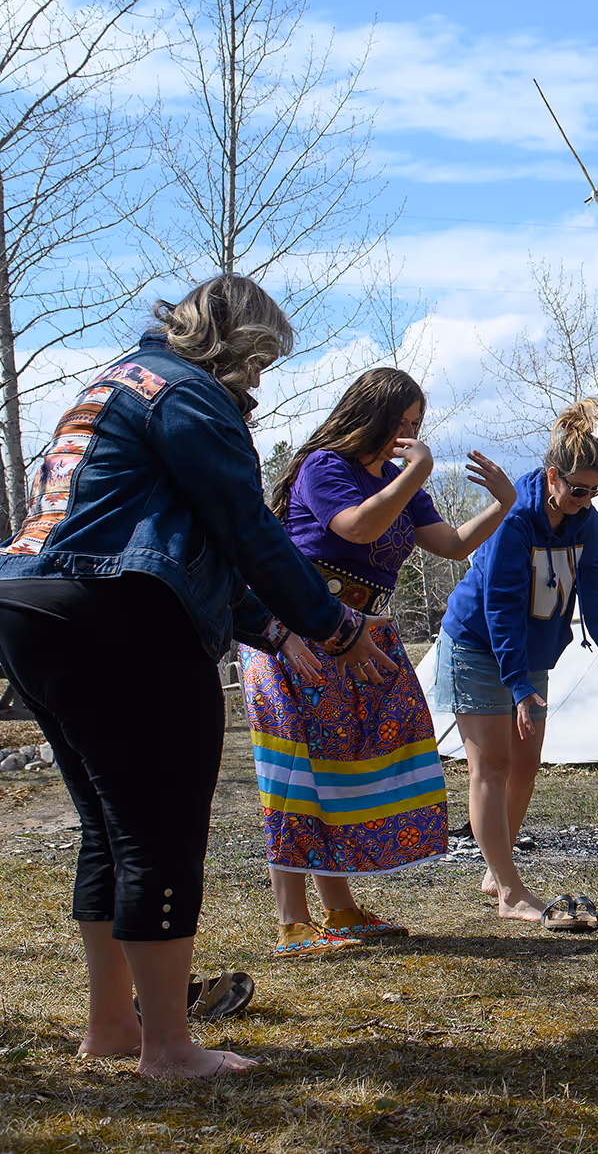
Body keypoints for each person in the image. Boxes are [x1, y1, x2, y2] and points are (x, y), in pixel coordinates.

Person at [0, 276, 398, 1077]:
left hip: (28, 601)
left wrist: (274, 627)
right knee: (160, 829)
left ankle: (112, 1024)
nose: (257, 380)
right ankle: (170, 1048)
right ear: (238, 345)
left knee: (110, 825)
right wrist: (335, 623)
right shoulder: (190, 395)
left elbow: (168, 540)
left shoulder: (111, 383)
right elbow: (244, 527)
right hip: (117, 614)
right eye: (259, 362)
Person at [245, 369, 520, 958]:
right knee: (295, 771)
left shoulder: (398, 480)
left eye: (416, 427)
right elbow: (358, 526)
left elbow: (448, 544)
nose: (409, 436)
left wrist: (504, 505)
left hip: (360, 631)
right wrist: (417, 472)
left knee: (342, 765)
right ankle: (292, 921)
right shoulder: (324, 466)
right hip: (297, 630)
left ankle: (339, 907)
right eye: (402, 424)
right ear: (369, 416)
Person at [434, 399, 598, 924]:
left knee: (526, 764)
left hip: (528, 655)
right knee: (493, 764)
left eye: (595, 490)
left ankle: (496, 869)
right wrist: (516, 684)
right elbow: (501, 605)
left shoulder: (586, 525)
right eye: (578, 489)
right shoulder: (516, 521)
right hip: (478, 646)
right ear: (552, 477)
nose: (586, 500)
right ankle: (509, 890)